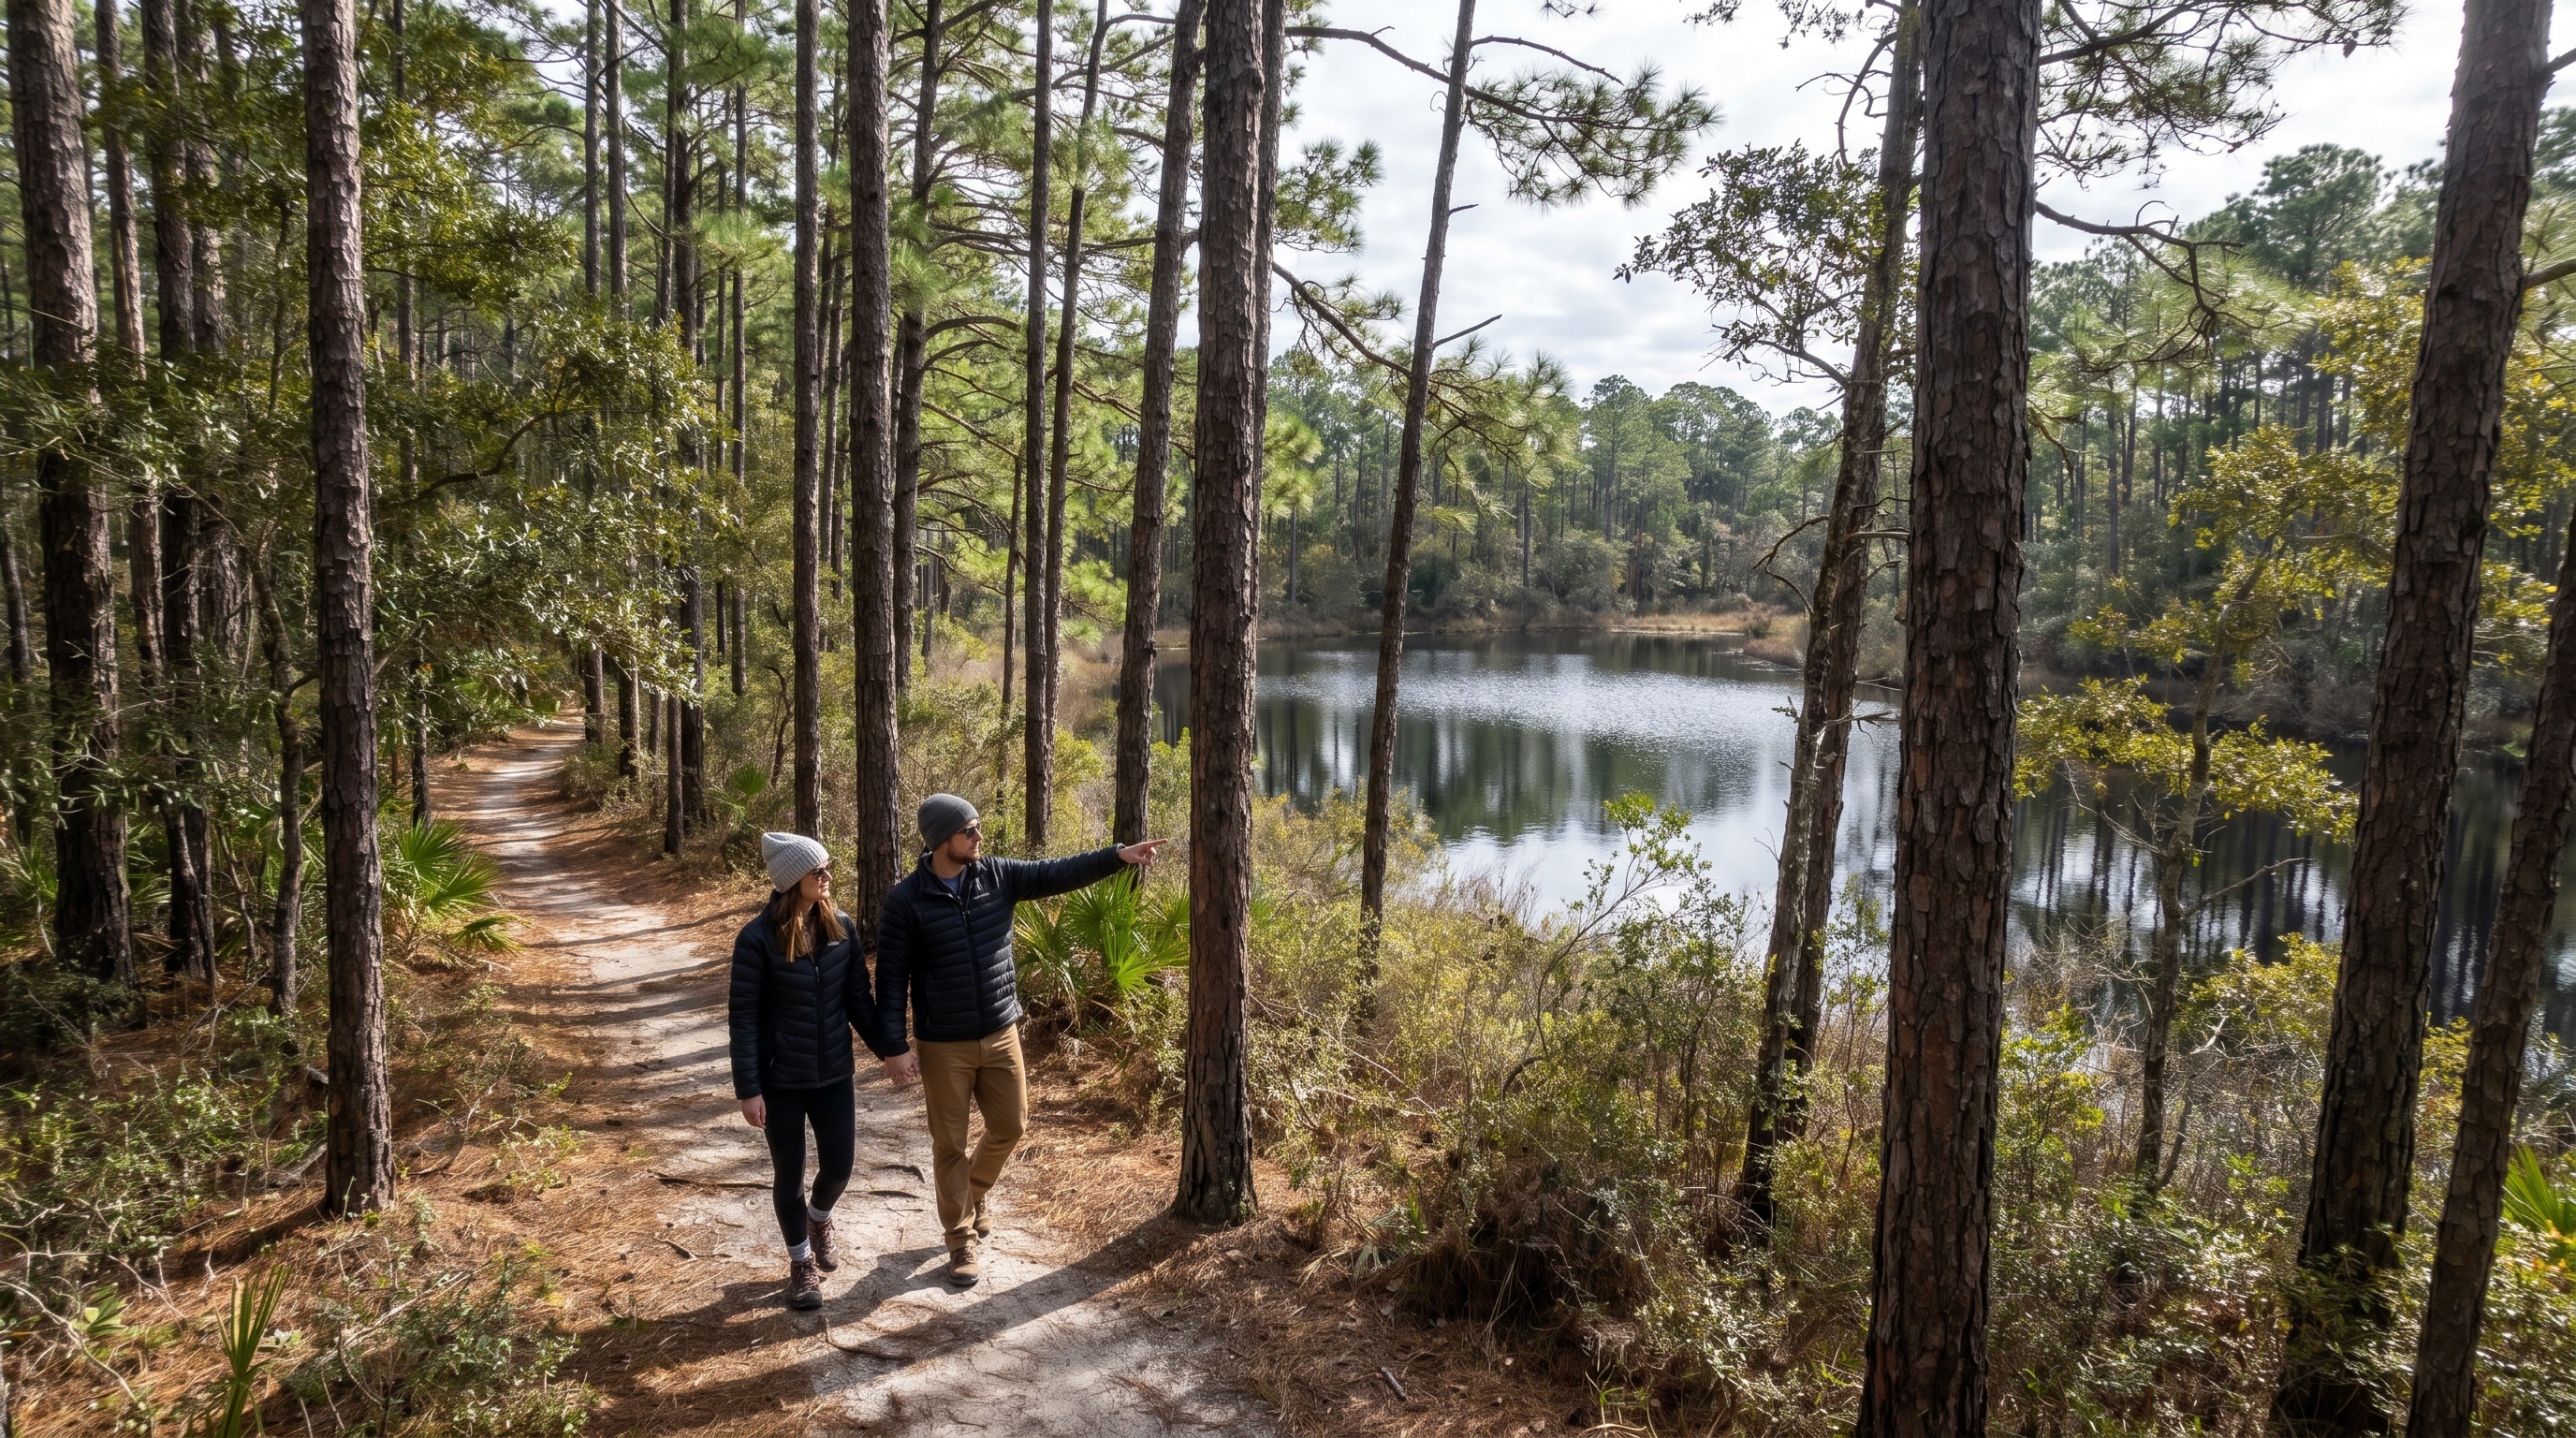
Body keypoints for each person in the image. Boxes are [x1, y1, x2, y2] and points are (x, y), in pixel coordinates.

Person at [871, 795, 1165, 1286]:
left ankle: (973, 1188)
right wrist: (894, 1047)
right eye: (970, 830)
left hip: (1001, 1029)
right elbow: (891, 979)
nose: (979, 837)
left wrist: (1116, 856)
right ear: (944, 839)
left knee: (1012, 1125)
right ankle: (960, 1242)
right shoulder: (906, 901)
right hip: (944, 1043)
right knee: (949, 1143)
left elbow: (1056, 873)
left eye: (978, 828)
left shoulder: (997, 875)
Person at [728, 831, 905, 1312]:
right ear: (792, 881)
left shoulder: (841, 929)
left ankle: (819, 1217)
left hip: (833, 1076)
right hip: (780, 1080)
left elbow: (859, 1005)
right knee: (790, 1173)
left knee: (840, 1167)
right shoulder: (756, 940)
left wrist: (892, 1050)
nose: (828, 877)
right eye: (818, 871)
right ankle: (800, 1264)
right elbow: (743, 1018)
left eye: (828, 867)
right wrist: (749, 1088)